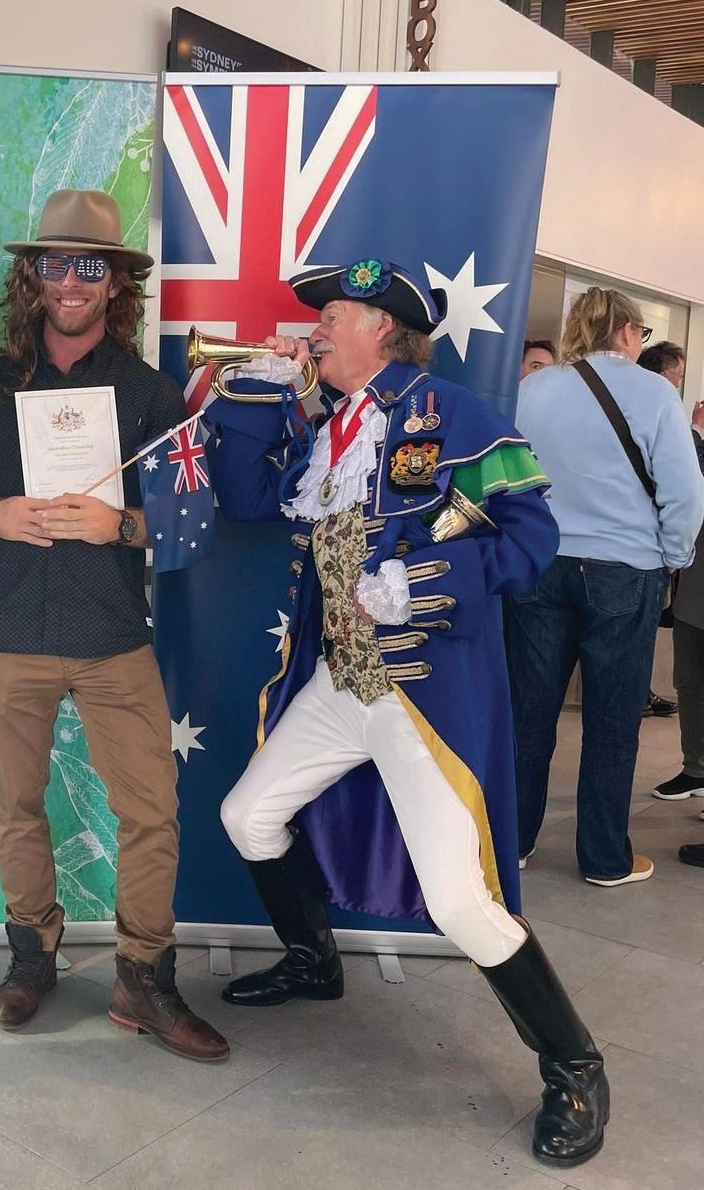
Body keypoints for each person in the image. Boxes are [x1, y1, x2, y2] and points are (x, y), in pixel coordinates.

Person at [203, 258, 609, 1170]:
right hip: (339, 679)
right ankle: (315, 960)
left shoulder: (453, 414)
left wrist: (422, 579)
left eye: (332, 316)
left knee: (460, 901)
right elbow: (243, 497)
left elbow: (532, 536)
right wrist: (257, 394)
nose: (314, 330)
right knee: (246, 815)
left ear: (382, 328)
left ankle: (574, 1064)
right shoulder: (326, 427)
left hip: (420, 690)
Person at [0, 189, 228, 1063]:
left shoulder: (150, 393)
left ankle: (143, 979)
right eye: (55, 263)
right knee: (15, 806)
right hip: (11, 631)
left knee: (152, 813)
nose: (71, 281)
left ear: (115, 283)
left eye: (89, 265)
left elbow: (190, 519)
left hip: (112, 637)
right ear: (33, 275)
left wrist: (119, 524)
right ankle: (32, 956)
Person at [509, 288, 704, 886]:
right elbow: (685, 492)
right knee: (613, 723)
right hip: (625, 569)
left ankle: (512, 843)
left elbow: (509, 476)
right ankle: (603, 858)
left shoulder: (533, 390)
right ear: (625, 330)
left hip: (541, 563)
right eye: (641, 333)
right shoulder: (655, 393)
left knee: (528, 717)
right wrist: (672, 557)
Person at [639, 341, 691, 717]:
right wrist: (675, 556)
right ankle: (638, 693)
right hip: (642, 551)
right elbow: (686, 488)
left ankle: (640, 691)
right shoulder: (659, 404)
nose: (679, 385)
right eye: (678, 376)